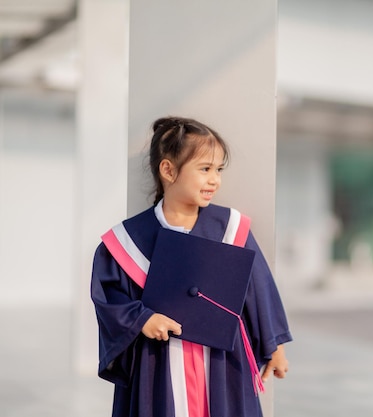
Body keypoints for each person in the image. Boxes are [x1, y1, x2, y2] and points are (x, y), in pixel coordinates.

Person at [91, 116, 292, 417]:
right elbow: (110, 298)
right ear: (168, 170)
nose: (215, 180)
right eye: (205, 169)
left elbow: (257, 287)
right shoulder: (126, 241)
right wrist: (141, 319)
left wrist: (274, 345)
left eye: (219, 169)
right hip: (158, 363)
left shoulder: (230, 229)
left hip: (222, 362)